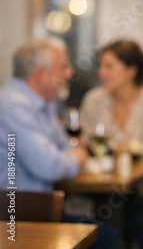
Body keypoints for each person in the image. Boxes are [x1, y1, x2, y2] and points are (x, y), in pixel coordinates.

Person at [0, 37, 118, 249]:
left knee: (106, 229)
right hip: (15, 216)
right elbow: (51, 166)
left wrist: (72, 155)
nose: (70, 74)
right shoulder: (13, 106)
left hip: (37, 208)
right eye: (63, 67)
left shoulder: (42, 102)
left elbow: (66, 147)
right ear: (39, 73)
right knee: (106, 237)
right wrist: (75, 157)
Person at [79, 39, 143, 248]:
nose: (101, 72)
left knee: (132, 209)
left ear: (131, 70)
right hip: (99, 183)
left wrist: (129, 147)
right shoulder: (94, 99)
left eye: (109, 66)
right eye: (100, 66)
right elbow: (82, 140)